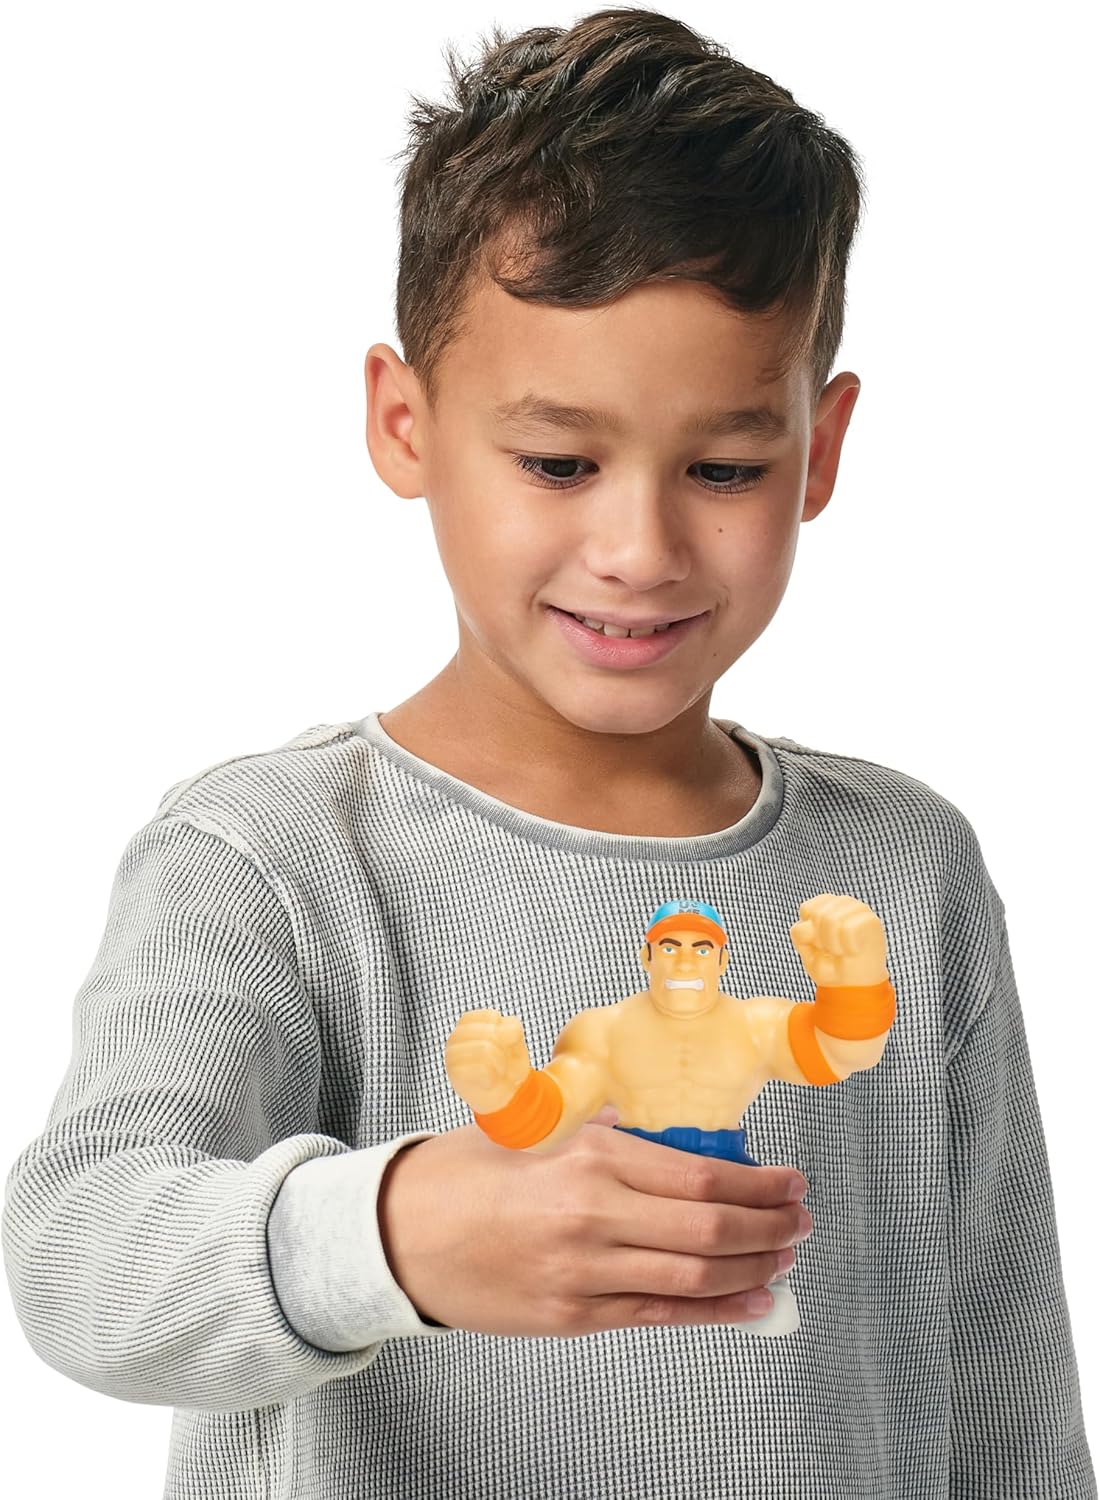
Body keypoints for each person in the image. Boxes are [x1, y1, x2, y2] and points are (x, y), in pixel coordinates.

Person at [2, 7, 1094, 1498]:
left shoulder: (908, 869)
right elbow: (78, 1254)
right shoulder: (269, 859)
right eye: (559, 463)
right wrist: (394, 1235)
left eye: (724, 467)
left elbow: (1010, 1393)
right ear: (404, 424)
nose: (639, 548)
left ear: (821, 449)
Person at [445, 893, 898, 1340]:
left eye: (701, 949)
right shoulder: (603, 1030)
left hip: (726, 1163)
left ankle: (765, 1284)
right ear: (646, 956)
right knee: (613, 1254)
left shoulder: (756, 1026)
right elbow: (553, 1117)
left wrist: (855, 984)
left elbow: (841, 1052)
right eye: (669, 947)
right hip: (630, 1170)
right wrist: (502, 1093)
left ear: (722, 961)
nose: (684, 963)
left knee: (756, 1232)